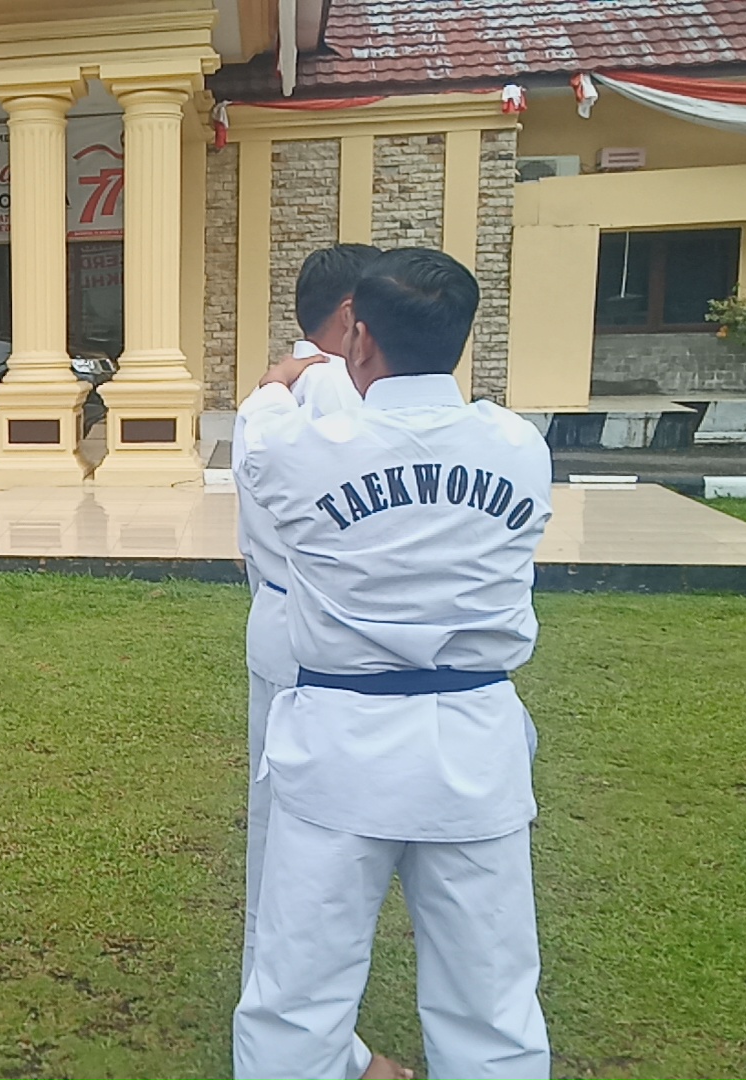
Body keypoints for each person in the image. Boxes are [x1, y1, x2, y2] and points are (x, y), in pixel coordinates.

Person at [232, 249, 555, 1080]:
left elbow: (259, 427)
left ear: (359, 338)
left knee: (298, 996)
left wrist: (281, 375)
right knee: (491, 1004)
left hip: (342, 741)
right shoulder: (519, 446)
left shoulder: (302, 447)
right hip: (475, 739)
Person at [231, 246, 381, 1013]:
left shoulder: (277, 390)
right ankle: (298, 1017)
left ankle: (274, 994)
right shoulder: (330, 393)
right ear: (355, 315)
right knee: (322, 843)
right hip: (332, 634)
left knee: (280, 829)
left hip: (280, 616)